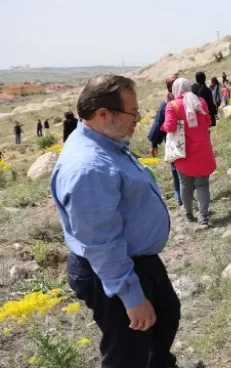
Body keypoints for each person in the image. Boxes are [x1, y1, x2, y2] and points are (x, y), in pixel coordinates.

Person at [51, 75, 184, 368]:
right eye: (132, 112)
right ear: (103, 114)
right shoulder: (88, 168)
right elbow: (100, 242)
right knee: (127, 352)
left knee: (164, 317)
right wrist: (131, 296)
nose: (137, 119)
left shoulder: (106, 141)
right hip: (111, 269)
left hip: (134, 258)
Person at [161, 78, 216, 227]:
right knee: (203, 185)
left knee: (185, 184)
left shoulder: (172, 105)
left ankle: (188, 212)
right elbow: (208, 122)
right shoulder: (200, 102)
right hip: (203, 151)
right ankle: (203, 217)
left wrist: (164, 124)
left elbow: (170, 127)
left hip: (183, 152)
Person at [147, 76, 183, 206]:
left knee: (176, 169)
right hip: (183, 141)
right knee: (183, 170)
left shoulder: (166, 104)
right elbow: (159, 123)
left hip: (173, 142)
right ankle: (183, 195)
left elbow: (158, 124)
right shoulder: (185, 101)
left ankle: (179, 196)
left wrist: (154, 144)